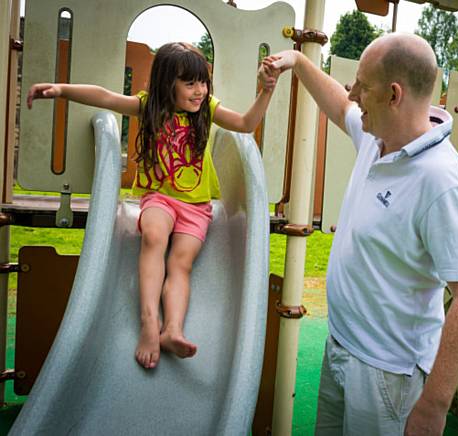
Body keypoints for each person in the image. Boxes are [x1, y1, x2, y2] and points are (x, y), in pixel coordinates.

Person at [261, 33, 458, 435]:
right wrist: (298, 61)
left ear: (393, 95)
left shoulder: (441, 180)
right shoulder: (377, 136)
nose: (352, 94)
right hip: (341, 348)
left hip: (388, 374)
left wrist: (433, 406)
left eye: (362, 85)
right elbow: (336, 103)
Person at [27, 42, 278, 370]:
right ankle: (149, 322)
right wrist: (61, 89)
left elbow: (246, 124)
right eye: (190, 83)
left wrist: (266, 91)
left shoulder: (207, 108)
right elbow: (104, 96)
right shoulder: (148, 107)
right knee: (154, 237)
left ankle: (172, 329)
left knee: (181, 264)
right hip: (159, 198)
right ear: (166, 84)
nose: (200, 90)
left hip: (196, 206)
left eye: (203, 82)